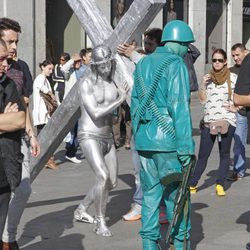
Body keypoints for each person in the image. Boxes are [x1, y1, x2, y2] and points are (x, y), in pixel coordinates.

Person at [131, 20, 195, 249]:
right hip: (168, 143)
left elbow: (134, 105)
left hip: (145, 142)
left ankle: (149, 245)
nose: (187, 49)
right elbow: (180, 106)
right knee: (177, 198)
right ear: (176, 42)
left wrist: (139, 136)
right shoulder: (175, 63)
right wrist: (186, 147)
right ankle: (179, 244)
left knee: (150, 196)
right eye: (186, 44)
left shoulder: (143, 64)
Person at [74, 45, 128, 237]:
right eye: (102, 65)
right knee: (102, 176)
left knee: (111, 182)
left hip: (107, 137)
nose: (106, 68)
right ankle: (100, 221)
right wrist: (119, 100)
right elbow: (95, 113)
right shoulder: (86, 83)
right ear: (95, 65)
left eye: (108, 64)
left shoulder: (113, 82)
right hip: (89, 135)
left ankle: (81, 209)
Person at [0, 17, 40, 250]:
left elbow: (22, 110)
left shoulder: (20, 68)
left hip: (17, 140)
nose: (14, 48)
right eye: (10, 42)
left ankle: (8, 237)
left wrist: (32, 134)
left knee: (22, 188)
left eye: (16, 42)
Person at [189, 48, 237, 196]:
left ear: (225, 62)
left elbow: (242, 96)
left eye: (220, 60)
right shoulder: (208, 78)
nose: (217, 63)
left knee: (224, 154)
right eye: (214, 60)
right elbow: (203, 100)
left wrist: (236, 107)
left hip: (227, 121)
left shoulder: (233, 77)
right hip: (209, 121)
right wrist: (203, 84)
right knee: (203, 154)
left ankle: (220, 184)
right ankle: (192, 184)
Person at [0, 38, 26, 250]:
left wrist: (10, 120)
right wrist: (3, 120)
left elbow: (19, 119)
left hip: (3, 175)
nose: (5, 64)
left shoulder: (7, 84)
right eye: (0, 59)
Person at [227, 43, 249, 181]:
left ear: (245, 52)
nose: (235, 58)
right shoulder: (232, 71)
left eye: (237, 55)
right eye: (233, 56)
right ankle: (239, 171)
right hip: (240, 112)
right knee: (239, 141)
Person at [32, 60, 57, 170]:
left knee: (44, 136)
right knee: (45, 137)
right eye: (49, 69)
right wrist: (51, 93)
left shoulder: (44, 79)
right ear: (43, 67)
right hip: (41, 113)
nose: (51, 71)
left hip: (44, 113)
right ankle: (47, 159)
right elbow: (41, 86)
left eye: (52, 69)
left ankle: (46, 158)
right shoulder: (40, 78)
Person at [61, 53, 85, 164]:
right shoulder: (69, 73)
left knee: (77, 129)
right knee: (71, 130)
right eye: (76, 62)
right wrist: (72, 60)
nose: (77, 63)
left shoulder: (83, 71)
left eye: (79, 61)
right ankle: (70, 152)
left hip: (80, 105)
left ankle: (71, 151)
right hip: (70, 105)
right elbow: (63, 69)